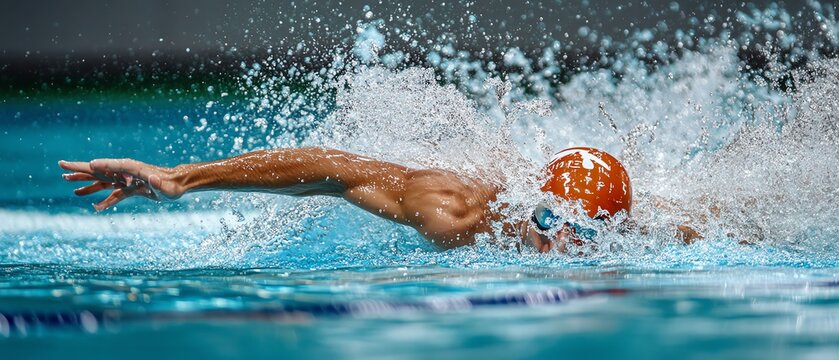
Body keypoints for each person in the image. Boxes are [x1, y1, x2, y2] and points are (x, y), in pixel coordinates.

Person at [59, 146, 697, 253]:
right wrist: (181, 178)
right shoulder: (457, 212)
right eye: (550, 219)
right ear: (533, 204)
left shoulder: (646, 238)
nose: (561, 241)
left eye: (584, 233)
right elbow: (334, 169)